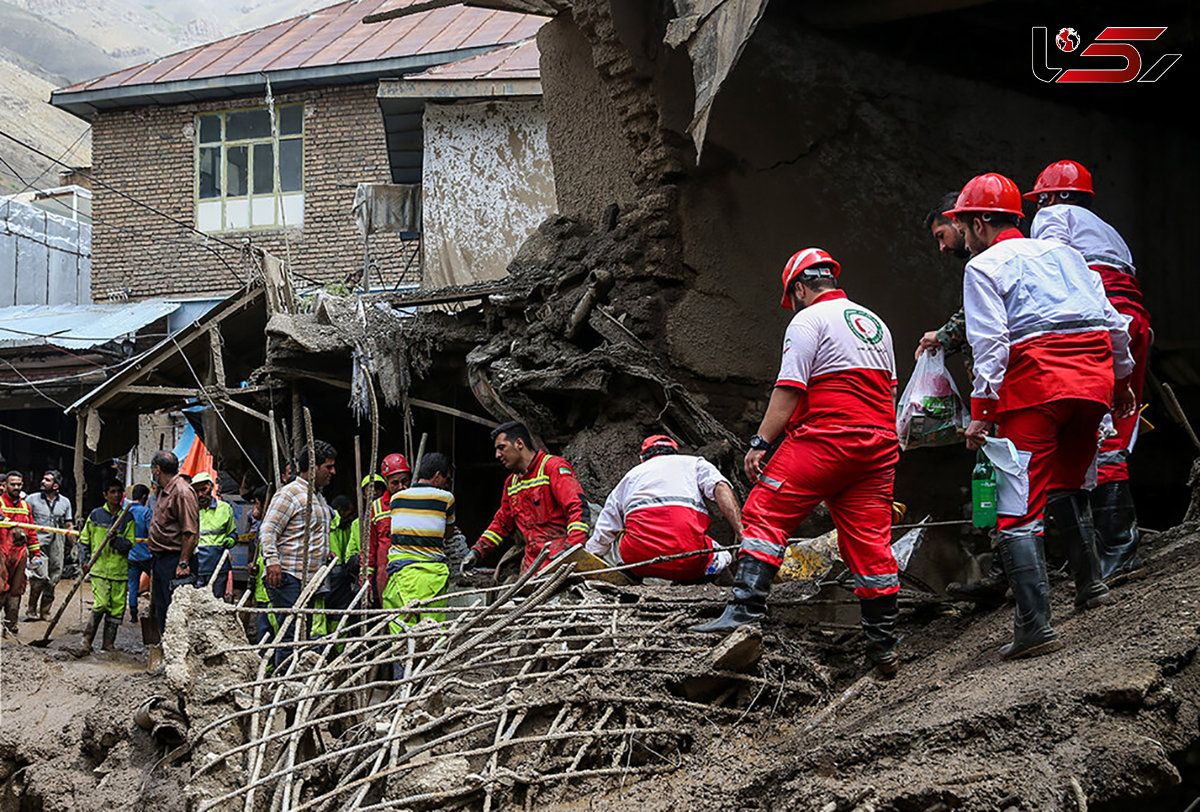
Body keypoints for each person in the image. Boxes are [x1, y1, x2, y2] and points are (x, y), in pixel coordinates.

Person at [945, 172, 1135, 660]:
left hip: (1037, 388)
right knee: (1070, 486)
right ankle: (1091, 586)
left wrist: (983, 414)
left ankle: (1034, 626)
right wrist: (1122, 382)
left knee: (1016, 511)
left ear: (981, 222)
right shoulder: (1068, 255)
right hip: (1092, 381)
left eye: (963, 227)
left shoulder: (984, 266)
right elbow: (1112, 320)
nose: (963, 238)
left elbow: (990, 345)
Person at [692, 248, 903, 677]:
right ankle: (883, 648)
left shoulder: (808, 320)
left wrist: (760, 442)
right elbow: (891, 392)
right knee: (869, 543)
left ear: (800, 288)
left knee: (765, 510)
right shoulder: (875, 324)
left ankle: (744, 613)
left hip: (829, 438)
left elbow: (789, 388)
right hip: (879, 445)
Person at [1025, 159, 1150, 580]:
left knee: (1093, 434)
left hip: (1100, 323)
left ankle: (1115, 549)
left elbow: (1054, 266)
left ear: (1051, 195)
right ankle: (1114, 547)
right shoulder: (1107, 229)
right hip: (1134, 322)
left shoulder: (1052, 217)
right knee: (1116, 425)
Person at [587, 435, 742, 581]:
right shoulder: (694, 463)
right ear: (675, 453)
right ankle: (695, 582)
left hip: (638, 561)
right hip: (689, 561)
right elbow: (721, 487)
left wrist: (589, 559)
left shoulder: (630, 476)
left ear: (642, 459)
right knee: (723, 555)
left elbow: (606, 528)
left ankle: (630, 580)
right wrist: (741, 533)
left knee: (616, 538)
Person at [463, 422, 590, 574]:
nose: (497, 455)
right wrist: (477, 552)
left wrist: (571, 551)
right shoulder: (512, 484)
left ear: (519, 443)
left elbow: (577, 509)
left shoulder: (553, 467)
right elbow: (501, 524)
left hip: (560, 562)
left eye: (501, 447)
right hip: (532, 567)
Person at [258, 440, 336, 670]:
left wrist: (324, 552)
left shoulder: (318, 498)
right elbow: (268, 529)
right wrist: (272, 561)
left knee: (301, 634)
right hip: (289, 576)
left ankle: (291, 683)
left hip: (309, 581)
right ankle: (283, 686)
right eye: (328, 467)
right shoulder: (290, 494)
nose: (333, 472)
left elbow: (306, 534)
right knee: (291, 635)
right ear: (313, 468)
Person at [383, 453, 456, 630]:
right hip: (432, 578)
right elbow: (448, 533)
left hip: (401, 575)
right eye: (446, 479)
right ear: (437, 476)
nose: (447, 484)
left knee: (401, 635)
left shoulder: (396, 499)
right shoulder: (446, 498)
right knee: (432, 633)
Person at [915, 191, 974, 364]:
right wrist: (941, 343)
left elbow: (974, 316)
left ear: (957, 223)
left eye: (941, 235)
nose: (941, 247)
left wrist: (939, 337)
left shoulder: (987, 260)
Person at [148, 450, 200, 636]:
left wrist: (183, 562)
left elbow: (190, 532)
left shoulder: (182, 492)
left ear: (158, 470)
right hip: (161, 560)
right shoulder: (165, 491)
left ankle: (177, 657)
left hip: (175, 561)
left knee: (175, 612)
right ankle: (166, 652)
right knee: (162, 608)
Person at [80, 480, 135, 651]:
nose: (117, 495)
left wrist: (116, 540)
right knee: (101, 604)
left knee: (117, 609)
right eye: (112, 492)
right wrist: (84, 561)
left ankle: (108, 644)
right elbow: (84, 540)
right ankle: (86, 641)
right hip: (99, 570)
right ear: (105, 495)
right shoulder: (96, 515)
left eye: (119, 492)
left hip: (119, 571)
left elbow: (129, 544)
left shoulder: (127, 517)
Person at [25, 470, 74, 621]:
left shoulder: (65, 502)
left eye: (47, 480)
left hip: (57, 543)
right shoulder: (31, 499)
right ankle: (31, 609)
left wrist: (75, 545)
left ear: (56, 486)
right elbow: (24, 519)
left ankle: (45, 611)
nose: (43, 482)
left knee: (54, 576)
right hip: (37, 543)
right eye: (44, 479)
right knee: (40, 575)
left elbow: (68, 523)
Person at [364, 455, 411, 607]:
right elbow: (369, 550)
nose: (401, 487)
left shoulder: (417, 502)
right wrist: (366, 581)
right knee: (390, 618)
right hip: (385, 575)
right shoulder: (375, 508)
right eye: (395, 483)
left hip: (412, 570)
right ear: (386, 482)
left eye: (405, 481)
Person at [0, 471, 35, 634]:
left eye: (19, 484)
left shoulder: (25, 506)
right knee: (0, 588)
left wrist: (36, 554)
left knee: (16, 590)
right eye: (12, 484)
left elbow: (32, 532)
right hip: (1, 553)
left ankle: (11, 626)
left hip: (20, 554)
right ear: (5, 485)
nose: (16, 487)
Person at [192, 471, 236, 598]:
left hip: (218, 565)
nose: (200, 494)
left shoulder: (225, 508)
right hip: (198, 564)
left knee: (216, 601)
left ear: (211, 487)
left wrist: (231, 540)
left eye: (203, 489)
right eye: (196, 491)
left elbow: (232, 532)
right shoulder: (191, 510)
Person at [326, 495, 361, 612]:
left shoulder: (346, 527)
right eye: (349, 514)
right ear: (340, 511)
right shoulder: (328, 521)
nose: (351, 518)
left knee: (341, 609)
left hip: (342, 572)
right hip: (329, 570)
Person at [126, 483, 154, 623]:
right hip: (146, 556)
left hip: (131, 555)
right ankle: (154, 611)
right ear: (144, 497)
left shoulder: (126, 511)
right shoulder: (146, 512)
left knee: (132, 585)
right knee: (155, 583)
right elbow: (151, 532)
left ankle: (133, 616)